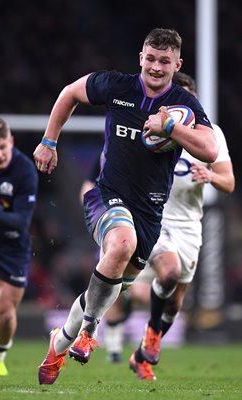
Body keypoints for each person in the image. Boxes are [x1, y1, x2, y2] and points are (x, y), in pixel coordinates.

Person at [33, 28, 218, 385]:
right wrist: (48, 141)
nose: (156, 67)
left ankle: (62, 340)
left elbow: (209, 150)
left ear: (176, 64)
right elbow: (70, 92)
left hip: (150, 213)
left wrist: (171, 128)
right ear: (141, 58)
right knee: (121, 242)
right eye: (150, 58)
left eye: (165, 61)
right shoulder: (117, 86)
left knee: (106, 288)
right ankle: (89, 331)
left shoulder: (184, 105)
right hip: (107, 194)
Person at [127, 72, 235, 380]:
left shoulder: (211, 134)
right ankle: (138, 332)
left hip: (190, 225)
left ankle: (142, 354)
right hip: (154, 218)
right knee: (169, 272)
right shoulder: (153, 129)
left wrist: (211, 176)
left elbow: (229, 182)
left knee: (174, 306)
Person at [0, 117, 38, 376]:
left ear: (11, 141)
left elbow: (23, 221)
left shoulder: (24, 171)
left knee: (6, 314)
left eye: (3, 147)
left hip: (12, 244)